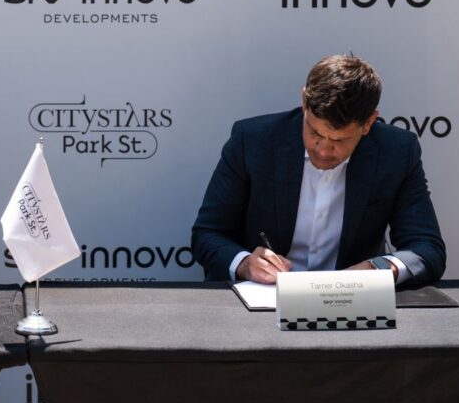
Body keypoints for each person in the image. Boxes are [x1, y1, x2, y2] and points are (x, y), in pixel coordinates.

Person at [191, 54, 445, 286]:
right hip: (263, 300)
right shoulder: (253, 141)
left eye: (339, 140)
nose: (323, 150)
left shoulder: (397, 152)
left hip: (351, 303)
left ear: (369, 123)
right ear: (304, 101)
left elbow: (427, 248)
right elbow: (207, 234)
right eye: (314, 132)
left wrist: (379, 268)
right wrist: (246, 264)